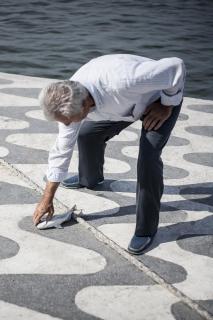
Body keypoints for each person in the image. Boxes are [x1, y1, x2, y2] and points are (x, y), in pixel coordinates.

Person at [33, 53, 186, 255]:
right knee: (86, 135)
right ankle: (90, 179)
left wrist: (167, 104)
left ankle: (146, 230)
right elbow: (62, 148)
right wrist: (47, 198)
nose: (67, 124)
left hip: (158, 100)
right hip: (124, 106)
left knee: (148, 159)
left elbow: (175, 67)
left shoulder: (126, 80)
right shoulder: (71, 98)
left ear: (86, 104)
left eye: (68, 120)